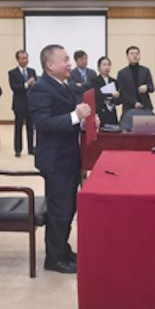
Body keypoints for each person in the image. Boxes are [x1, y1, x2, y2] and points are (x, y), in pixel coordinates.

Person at [29, 44, 92, 274]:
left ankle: (62, 250)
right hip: (55, 160)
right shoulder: (40, 88)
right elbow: (43, 123)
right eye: (65, 59)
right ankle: (53, 259)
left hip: (68, 157)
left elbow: (66, 119)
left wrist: (83, 121)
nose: (70, 64)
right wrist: (76, 115)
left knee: (68, 208)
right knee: (60, 210)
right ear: (50, 65)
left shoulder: (61, 85)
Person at [8, 49, 36, 157]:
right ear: (17, 59)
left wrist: (34, 85)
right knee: (18, 127)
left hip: (31, 103)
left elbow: (35, 86)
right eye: (23, 58)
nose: (25, 60)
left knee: (30, 127)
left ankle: (31, 148)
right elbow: (14, 87)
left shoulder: (32, 71)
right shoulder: (12, 73)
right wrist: (26, 84)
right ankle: (18, 149)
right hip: (19, 104)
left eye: (26, 58)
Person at [115, 45, 154, 116]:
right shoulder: (122, 73)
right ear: (127, 56)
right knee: (129, 127)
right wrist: (134, 102)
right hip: (129, 108)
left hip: (145, 107)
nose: (135, 56)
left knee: (148, 126)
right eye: (132, 54)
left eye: (137, 54)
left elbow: (152, 88)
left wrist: (147, 87)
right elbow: (122, 92)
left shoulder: (145, 70)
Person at [92, 55, 120, 128]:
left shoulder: (114, 81)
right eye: (104, 65)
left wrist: (116, 97)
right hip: (100, 113)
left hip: (112, 114)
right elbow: (97, 95)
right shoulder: (95, 81)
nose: (106, 67)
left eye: (108, 65)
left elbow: (119, 100)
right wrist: (111, 95)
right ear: (99, 67)